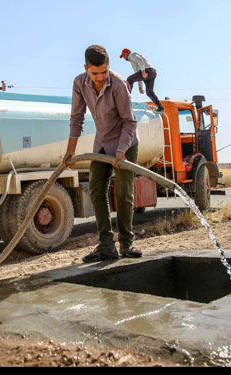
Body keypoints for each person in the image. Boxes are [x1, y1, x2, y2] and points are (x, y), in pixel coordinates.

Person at [63, 45, 143, 263]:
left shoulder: (118, 84)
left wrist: (121, 151)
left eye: (104, 72)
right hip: (102, 142)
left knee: (123, 192)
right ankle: (106, 245)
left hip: (125, 144)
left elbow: (129, 121)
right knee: (97, 189)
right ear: (86, 68)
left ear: (109, 68)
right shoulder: (80, 83)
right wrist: (70, 152)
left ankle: (126, 243)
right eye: (95, 73)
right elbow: (76, 118)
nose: (99, 78)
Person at [120, 48, 165, 113]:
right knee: (149, 92)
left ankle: (126, 98)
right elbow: (137, 74)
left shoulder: (132, 55)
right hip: (152, 72)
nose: (124, 57)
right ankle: (160, 107)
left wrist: (143, 71)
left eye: (124, 55)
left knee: (129, 79)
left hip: (147, 71)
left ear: (127, 53)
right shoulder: (132, 61)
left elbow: (139, 60)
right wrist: (140, 87)